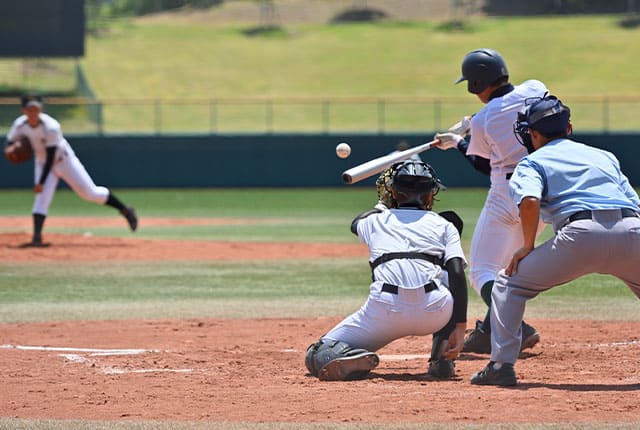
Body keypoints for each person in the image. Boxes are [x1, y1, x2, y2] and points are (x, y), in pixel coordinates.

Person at [470, 95, 640, 386]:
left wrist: (526, 246)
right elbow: (634, 201)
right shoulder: (604, 156)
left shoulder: (531, 162)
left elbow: (529, 200)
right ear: (569, 128)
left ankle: (501, 365)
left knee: (508, 285)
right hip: (633, 230)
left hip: (581, 236)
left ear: (532, 134)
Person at [305, 160, 468, 381]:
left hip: (385, 310)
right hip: (435, 311)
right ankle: (442, 360)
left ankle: (353, 356)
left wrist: (382, 204)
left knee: (318, 352)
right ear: (431, 193)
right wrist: (460, 326)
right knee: (446, 273)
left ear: (393, 192)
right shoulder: (444, 225)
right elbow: (458, 272)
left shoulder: (376, 221)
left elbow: (356, 223)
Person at [432, 48, 546, 354]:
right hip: (545, 196)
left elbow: (482, 164)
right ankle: (487, 331)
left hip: (506, 196)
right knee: (507, 269)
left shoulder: (484, 119)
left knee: (482, 272)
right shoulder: (536, 88)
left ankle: (518, 329)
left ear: (476, 84)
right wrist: (472, 126)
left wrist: (457, 142)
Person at [5, 95, 138, 247]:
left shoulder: (51, 126)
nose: (33, 112)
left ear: (41, 109)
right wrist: (9, 149)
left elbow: (51, 155)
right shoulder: (20, 124)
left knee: (90, 193)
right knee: (42, 199)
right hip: (42, 162)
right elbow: (9, 142)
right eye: (30, 109)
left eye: (36, 108)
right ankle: (37, 238)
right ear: (24, 110)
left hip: (64, 161)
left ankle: (125, 210)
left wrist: (41, 182)